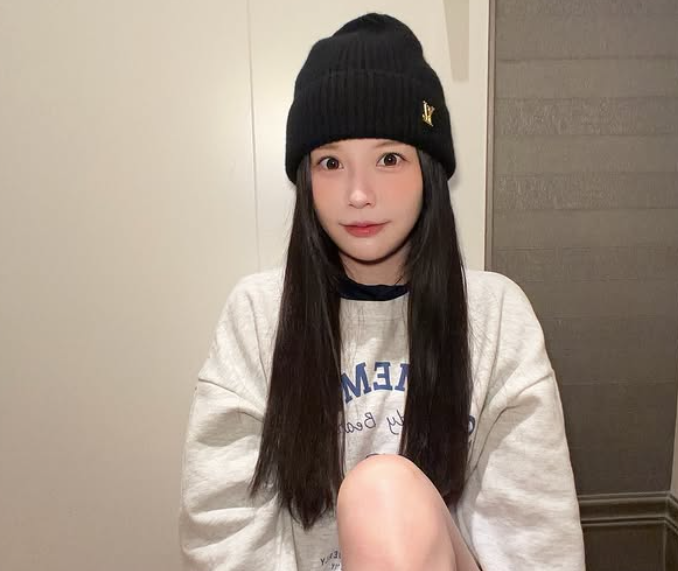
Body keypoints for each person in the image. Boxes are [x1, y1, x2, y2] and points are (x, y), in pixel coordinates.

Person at [179, 12, 586, 571]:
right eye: (330, 162)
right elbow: (224, 533)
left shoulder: (495, 317)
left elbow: (534, 542)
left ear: (428, 171)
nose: (359, 194)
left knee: (382, 494)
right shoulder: (258, 317)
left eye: (389, 159)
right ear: (306, 180)